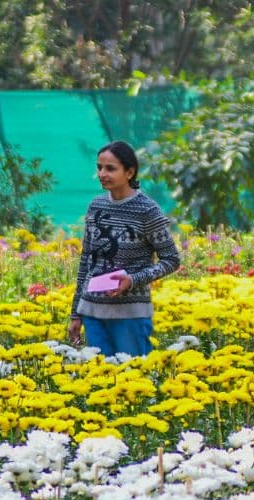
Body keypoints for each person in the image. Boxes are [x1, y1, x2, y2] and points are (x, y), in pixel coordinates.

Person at [67, 140, 181, 357]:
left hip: (130, 315)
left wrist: (132, 280)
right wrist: (76, 313)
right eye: (99, 167)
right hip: (92, 312)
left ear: (129, 172)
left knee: (134, 382)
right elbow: (86, 263)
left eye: (110, 168)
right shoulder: (96, 206)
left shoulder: (147, 210)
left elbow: (171, 260)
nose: (102, 174)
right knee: (100, 383)